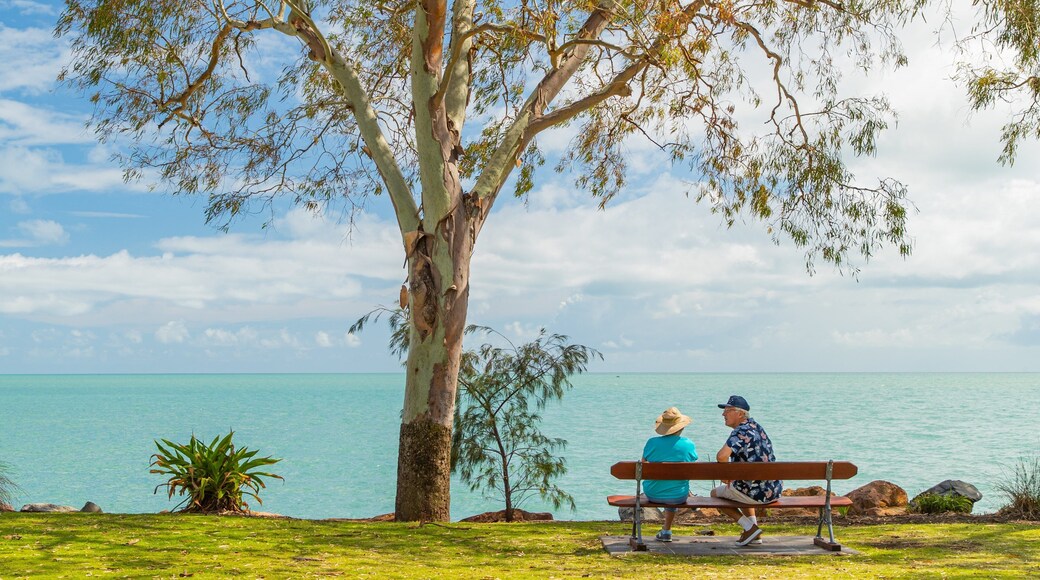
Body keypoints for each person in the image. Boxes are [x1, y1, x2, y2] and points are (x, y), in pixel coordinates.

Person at [711, 395, 782, 547]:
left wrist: (726, 475)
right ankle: (754, 533)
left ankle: (749, 527)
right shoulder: (757, 427)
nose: (723, 414)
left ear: (740, 414)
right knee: (740, 488)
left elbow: (721, 456)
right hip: (773, 489)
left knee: (715, 494)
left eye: (728, 410)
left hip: (756, 493)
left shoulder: (740, 431)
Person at [642, 406, 698, 542]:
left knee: (666, 483)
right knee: (674, 485)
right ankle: (666, 529)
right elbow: (693, 463)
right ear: (681, 427)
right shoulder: (688, 444)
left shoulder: (652, 443)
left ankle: (666, 531)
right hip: (679, 496)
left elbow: (643, 464)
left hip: (652, 494)